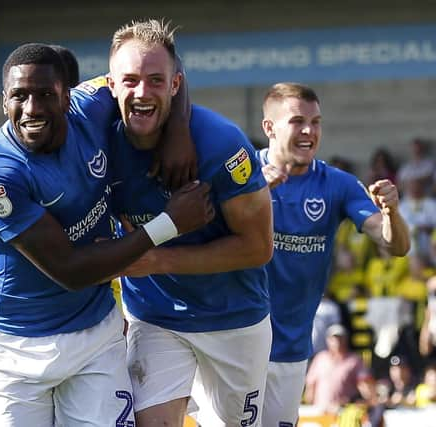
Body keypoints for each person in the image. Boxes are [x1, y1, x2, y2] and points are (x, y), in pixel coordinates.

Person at [0, 42, 211, 426]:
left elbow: (167, 67)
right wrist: (169, 223)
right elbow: (71, 271)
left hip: (95, 336)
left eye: (45, 95)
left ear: (68, 96)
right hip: (14, 351)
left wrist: (178, 128)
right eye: (19, 96)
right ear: (3, 101)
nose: (31, 109)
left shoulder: (94, 101)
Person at [106, 20, 272, 427]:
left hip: (235, 318)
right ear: (110, 85)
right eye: (129, 81)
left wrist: (158, 260)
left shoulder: (222, 143)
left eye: (155, 81)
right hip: (155, 316)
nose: (141, 92)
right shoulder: (92, 130)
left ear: (176, 85)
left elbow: (258, 247)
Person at [254, 82, 410, 426]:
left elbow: (395, 245)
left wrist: (391, 214)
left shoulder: (337, 184)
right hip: (231, 339)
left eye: (316, 121)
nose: (309, 130)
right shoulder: (242, 174)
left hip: (289, 352)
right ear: (269, 127)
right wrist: (251, 195)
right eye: (297, 121)